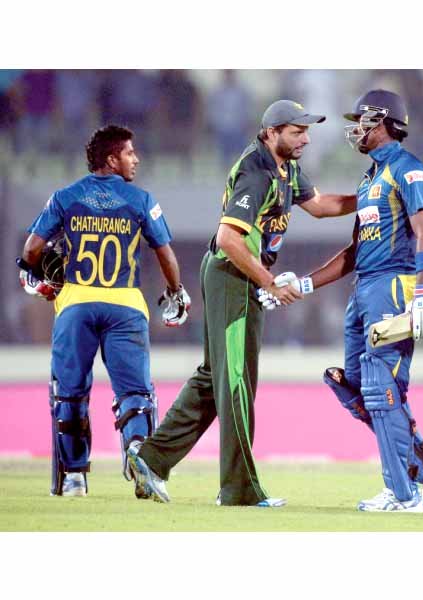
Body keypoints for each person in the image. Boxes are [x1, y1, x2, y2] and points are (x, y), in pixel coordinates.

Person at [127, 100, 357, 507]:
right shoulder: (257, 171)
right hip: (233, 276)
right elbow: (229, 239)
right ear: (271, 132)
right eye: (295, 131)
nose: (304, 138)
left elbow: (320, 207)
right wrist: (269, 281)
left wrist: (369, 198)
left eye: (306, 131)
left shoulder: (285, 169)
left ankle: (150, 459)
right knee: (235, 382)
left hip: (235, 276)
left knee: (214, 379)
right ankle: (239, 489)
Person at [267, 90, 423, 513]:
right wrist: (306, 284)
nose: (357, 128)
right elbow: (354, 252)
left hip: (394, 286)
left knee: (378, 386)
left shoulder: (410, 170)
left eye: (363, 120)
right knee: (352, 384)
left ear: (382, 121)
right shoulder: (370, 179)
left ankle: (402, 493)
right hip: (364, 289)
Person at [19, 124, 190, 497]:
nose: (136, 159)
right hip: (125, 305)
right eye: (130, 153)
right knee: (135, 394)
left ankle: (75, 479)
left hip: (76, 304)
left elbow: (32, 250)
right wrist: (175, 292)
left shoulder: (65, 197)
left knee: (70, 394)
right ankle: (138, 457)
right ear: (112, 159)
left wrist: (34, 278)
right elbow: (166, 255)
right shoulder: (141, 199)